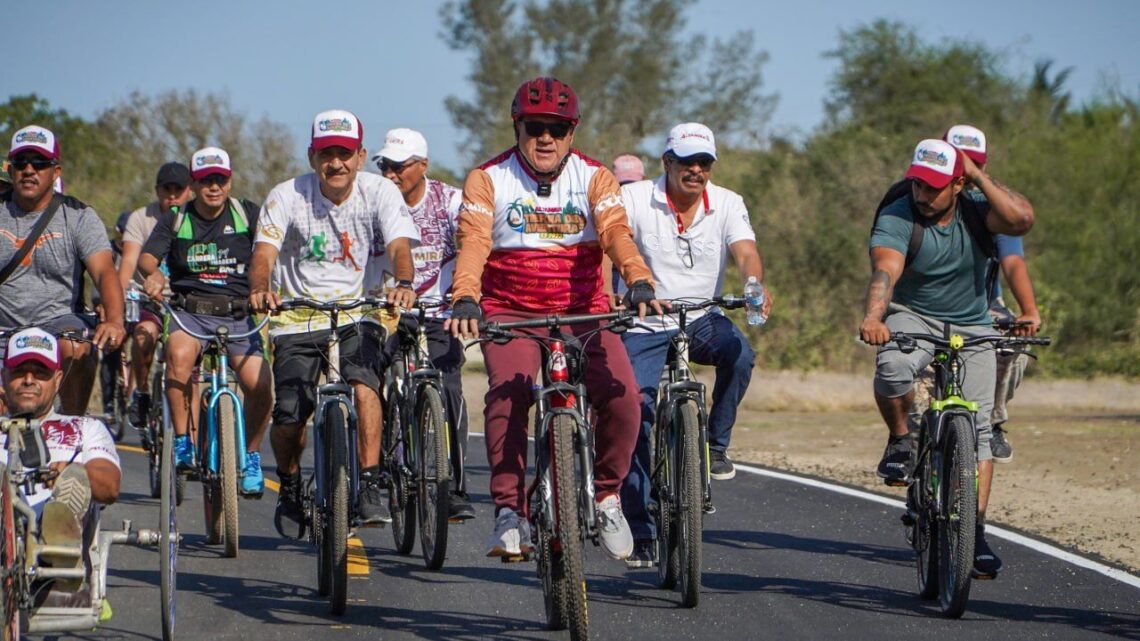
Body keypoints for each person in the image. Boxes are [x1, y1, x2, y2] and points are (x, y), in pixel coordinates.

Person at [446, 76, 662, 561]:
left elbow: (615, 233)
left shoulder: (594, 176)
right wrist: (465, 297)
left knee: (625, 399)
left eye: (557, 129)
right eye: (535, 127)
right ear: (517, 127)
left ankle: (607, 495)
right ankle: (509, 512)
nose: (545, 138)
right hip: (512, 312)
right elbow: (475, 241)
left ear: (572, 132)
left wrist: (639, 278)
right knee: (508, 398)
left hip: (585, 312)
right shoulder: (488, 178)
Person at [860, 137, 1035, 578]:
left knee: (979, 429)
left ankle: (974, 532)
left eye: (933, 186)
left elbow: (1022, 220)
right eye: (917, 183)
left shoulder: (978, 209)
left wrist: (977, 175)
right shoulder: (899, 211)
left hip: (974, 325)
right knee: (893, 366)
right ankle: (901, 439)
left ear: (957, 184)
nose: (922, 193)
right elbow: (886, 268)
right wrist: (874, 315)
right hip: (912, 317)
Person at [249, 109, 419, 534]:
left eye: (345, 153)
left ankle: (371, 484)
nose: (336, 163)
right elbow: (263, 255)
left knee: (365, 387)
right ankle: (289, 487)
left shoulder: (379, 191)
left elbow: (400, 245)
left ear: (361, 156)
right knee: (289, 415)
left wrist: (403, 281)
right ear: (312, 157)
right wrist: (260, 288)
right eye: (327, 154)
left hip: (356, 313)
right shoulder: (287, 195)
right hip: (296, 317)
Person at [616, 123, 773, 566]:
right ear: (667, 162)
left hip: (703, 317)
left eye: (704, 163)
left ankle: (714, 445)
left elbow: (744, 250)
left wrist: (754, 283)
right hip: (645, 323)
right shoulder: (634, 198)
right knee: (633, 409)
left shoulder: (727, 202)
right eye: (687, 162)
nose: (697, 170)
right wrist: (617, 291)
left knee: (740, 354)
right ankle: (640, 525)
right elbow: (610, 244)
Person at [138, 147, 272, 496]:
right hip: (190, 311)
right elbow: (148, 257)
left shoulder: (248, 214)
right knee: (178, 357)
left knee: (261, 384)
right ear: (193, 184)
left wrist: (268, 289)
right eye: (205, 180)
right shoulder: (176, 218)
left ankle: (253, 456)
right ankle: (183, 440)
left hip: (238, 314)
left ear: (229, 180)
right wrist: (152, 275)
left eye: (220, 179)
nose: (214, 187)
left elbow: (269, 252)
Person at [370, 127, 474, 521]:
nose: (390, 175)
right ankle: (377, 466)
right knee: (367, 377)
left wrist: (466, 298)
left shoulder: (449, 200)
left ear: (422, 166)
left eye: (398, 167)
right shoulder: (374, 202)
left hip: (440, 310)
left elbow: (472, 242)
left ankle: (456, 487)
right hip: (389, 309)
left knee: (450, 390)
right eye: (384, 166)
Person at [1, 125, 126, 414]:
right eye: (21, 163)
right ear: (10, 169)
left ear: (55, 171)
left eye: (40, 163)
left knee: (78, 348)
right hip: (4, 328)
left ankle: (70, 431)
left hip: (57, 323)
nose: (29, 170)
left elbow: (105, 272)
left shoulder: (79, 216)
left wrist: (115, 321)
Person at [0, 328, 121, 592]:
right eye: (19, 371)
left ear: (57, 379)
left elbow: (109, 486)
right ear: (4, 376)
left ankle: (57, 548)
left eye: (40, 373)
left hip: (55, 538)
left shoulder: (84, 428)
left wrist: (71, 471)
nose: (29, 380)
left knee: (75, 479)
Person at [120, 162, 193, 427]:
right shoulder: (141, 218)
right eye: (166, 189)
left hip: (185, 299)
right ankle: (142, 392)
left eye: (179, 189)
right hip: (149, 297)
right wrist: (116, 301)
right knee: (143, 337)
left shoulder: (195, 215)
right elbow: (128, 263)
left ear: (189, 190)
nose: (172, 195)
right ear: (157, 190)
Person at [97, 212, 132, 420]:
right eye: (122, 235)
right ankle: (108, 402)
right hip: (110, 308)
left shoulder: (138, 251)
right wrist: (100, 304)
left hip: (136, 308)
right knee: (109, 351)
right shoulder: (107, 250)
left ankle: (139, 393)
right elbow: (100, 278)